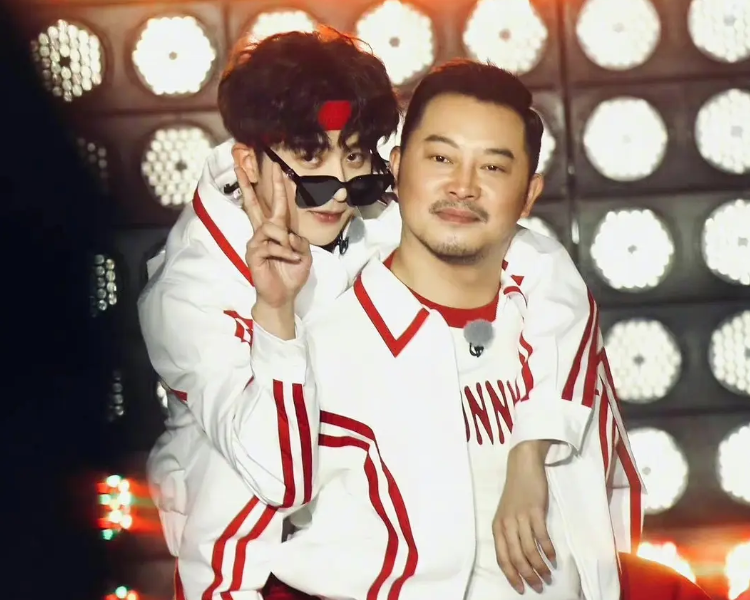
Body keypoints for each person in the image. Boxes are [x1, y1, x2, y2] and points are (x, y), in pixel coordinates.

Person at [141, 33, 641, 600]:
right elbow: (272, 477)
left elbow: (541, 263)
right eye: (311, 159)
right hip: (240, 481)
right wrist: (276, 314)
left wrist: (533, 446)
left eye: (355, 155)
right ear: (247, 163)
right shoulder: (191, 297)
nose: (339, 191)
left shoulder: (370, 203)